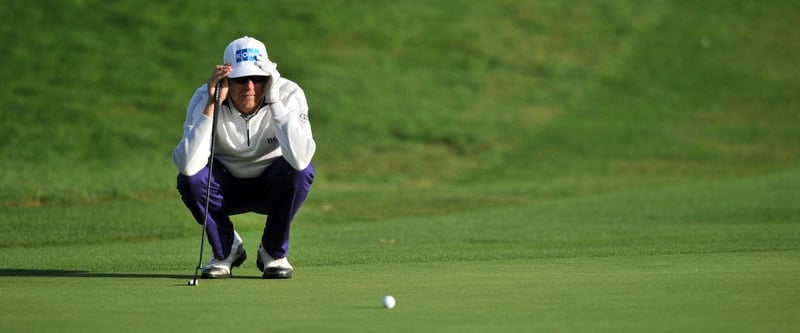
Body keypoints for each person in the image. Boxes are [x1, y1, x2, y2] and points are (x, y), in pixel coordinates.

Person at [173, 36, 316, 279]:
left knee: (299, 172)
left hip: (272, 188)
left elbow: (302, 160)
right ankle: (226, 250)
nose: (250, 86)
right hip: (224, 189)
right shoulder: (203, 97)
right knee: (190, 180)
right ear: (226, 79)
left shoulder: (289, 94)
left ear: (268, 79)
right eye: (241, 79)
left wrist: (273, 100)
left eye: (258, 79)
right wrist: (212, 104)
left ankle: (273, 253)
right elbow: (188, 166)